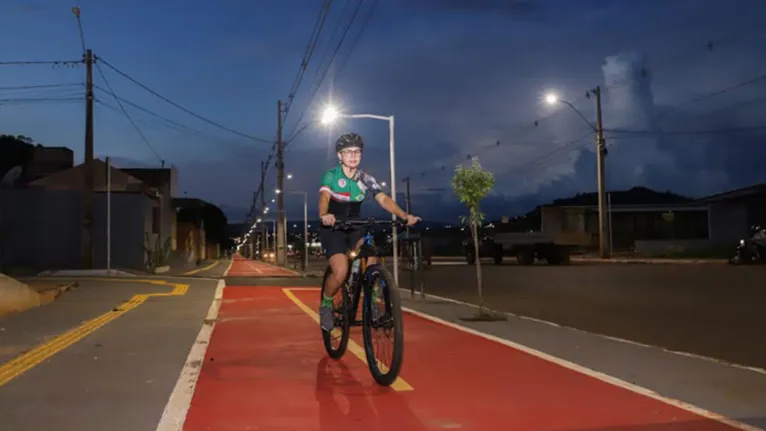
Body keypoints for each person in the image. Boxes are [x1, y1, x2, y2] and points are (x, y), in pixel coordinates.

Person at [318, 132, 420, 331]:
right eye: (348, 152)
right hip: (334, 227)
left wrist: (403, 215)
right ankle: (326, 305)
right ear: (340, 156)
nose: (353, 155)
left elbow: (383, 199)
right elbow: (324, 197)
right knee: (341, 272)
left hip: (356, 225)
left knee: (371, 255)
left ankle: (372, 299)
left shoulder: (364, 178)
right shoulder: (332, 175)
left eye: (357, 152)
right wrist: (324, 214)